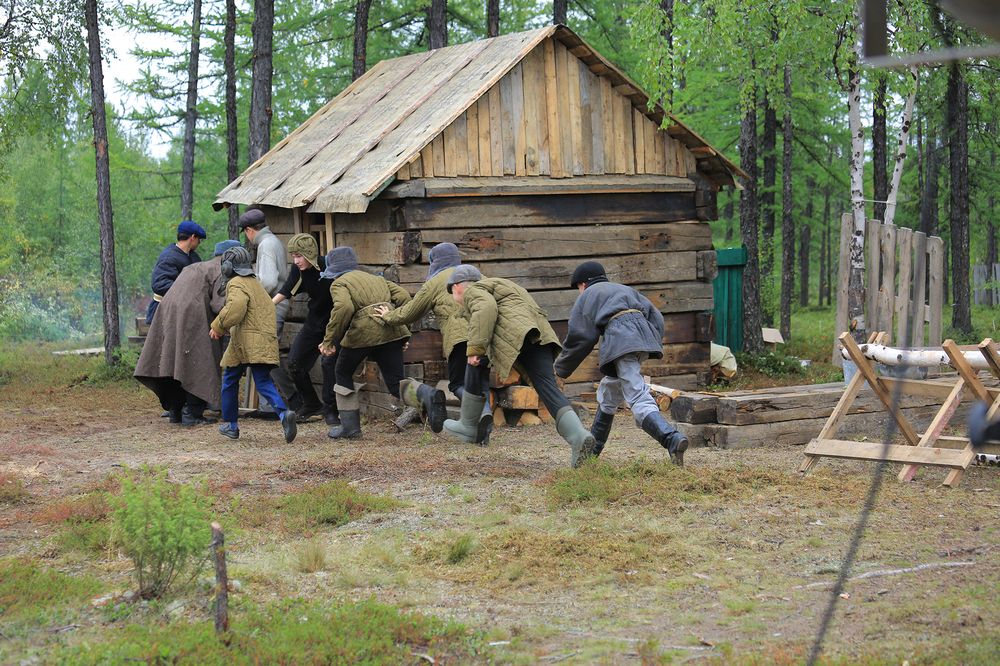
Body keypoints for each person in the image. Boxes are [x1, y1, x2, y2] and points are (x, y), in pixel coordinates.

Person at [442, 265, 597, 466]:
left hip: (518, 335)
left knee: (473, 359)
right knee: (547, 388)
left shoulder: (475, 290)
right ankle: (578, 436)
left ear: (456, 287)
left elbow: (486, 309)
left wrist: (475, 349)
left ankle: (469, 425)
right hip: (538, 336)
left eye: (452, 292)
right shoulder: (504, 286)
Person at [552, 261, 689, 465]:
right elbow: (657, 318)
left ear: (583, 284)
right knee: (609, 392)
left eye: (578, 288)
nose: (579, 293)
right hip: (642, 339)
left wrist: (561, 369)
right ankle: (590, 457)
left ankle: (671, 439)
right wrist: (647, 341)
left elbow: (580, 337)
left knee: (636, 395)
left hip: (622, 341)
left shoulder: (589, 295)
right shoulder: (624, 290)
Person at [134, 239, 241, 425]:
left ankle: (176, 411)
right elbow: (218, 304)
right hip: (192, 318)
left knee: (173, 362)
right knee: (198, 362)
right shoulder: (222, 270)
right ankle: (192, 413)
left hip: (167, 314)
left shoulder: (196, 266)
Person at [371, 242, 474, 434]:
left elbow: (410, 311)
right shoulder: (476, 275)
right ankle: (478, 419)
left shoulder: (435, 282)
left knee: (458, 383)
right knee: (477, 380)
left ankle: (474, 416)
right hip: (485, 334)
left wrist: (388, 317)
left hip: (459, 338)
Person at [318, 247, 412, 440]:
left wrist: (329, 341)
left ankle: (350, 428)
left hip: (362, 335)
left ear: (333, 268)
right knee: (396, 383)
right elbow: (404, 297)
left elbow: (344, 307)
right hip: (390, 332)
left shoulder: (339, 283)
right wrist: (402, 331)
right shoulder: (378, 279)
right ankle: (427, 395)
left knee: (342, 372)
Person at [209, 246, 297, 443]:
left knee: (230, 379)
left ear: (228, 267)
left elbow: (236, 308)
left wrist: (218, 326)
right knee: (263, 381)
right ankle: (284, 414)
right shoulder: (255, 284)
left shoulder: (237, 283)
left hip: (244, 342)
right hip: (262, 341)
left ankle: (231, 425)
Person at [272, 233, 339, 425]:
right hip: (314, 321)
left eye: (299, 256)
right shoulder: (298, 270)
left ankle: (330, 409)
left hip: (334, 322)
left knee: (329, 364)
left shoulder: (328, 266)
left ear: (310, 253)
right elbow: (286, 290)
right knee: (294, 362)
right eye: (293, 256)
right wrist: (266, 307)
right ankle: (311, 404)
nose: (296, 260)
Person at [146, 220, 206, 324]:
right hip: (165, 312)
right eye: (199, 239)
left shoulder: (193, 257)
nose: (199, 242)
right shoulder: (168, 257)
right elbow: (160, 284)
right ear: (192, 237)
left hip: (183, 311)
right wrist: (188, 290)